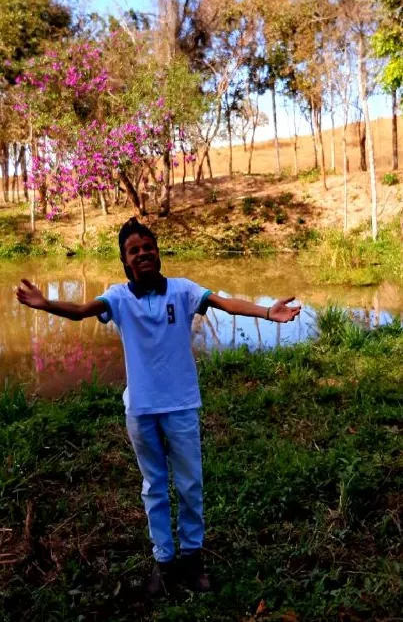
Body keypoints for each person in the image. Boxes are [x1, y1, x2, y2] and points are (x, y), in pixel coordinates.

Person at [17, 217, 301, 596]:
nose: (143, 254)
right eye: (134, 251)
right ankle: (164, 563)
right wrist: (45, 304)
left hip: (181, 405)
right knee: (153, 486)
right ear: (125, 262)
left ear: (158, 252)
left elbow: (224, 304)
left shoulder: (183, 291)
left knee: (189, 483)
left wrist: (268, 312)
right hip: (141, 410)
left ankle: (193, 559)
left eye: (148, 247)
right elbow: (83, 310)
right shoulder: (117, 297)